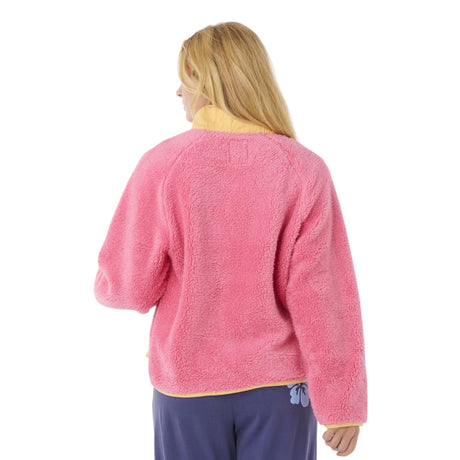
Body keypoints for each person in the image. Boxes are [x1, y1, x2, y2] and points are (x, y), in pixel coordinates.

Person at [94, 21, 367, 459]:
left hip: (187, 388)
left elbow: (127, 289)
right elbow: (324, 297)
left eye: (186, 78)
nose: (178, 92)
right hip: (280, 390)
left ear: (210, 84)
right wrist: (342, 404)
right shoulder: (303, 169)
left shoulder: (164, 165)